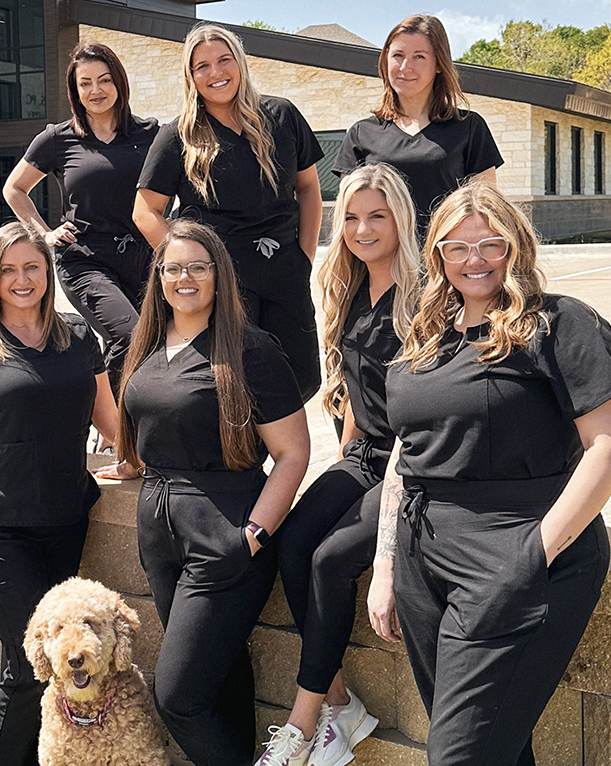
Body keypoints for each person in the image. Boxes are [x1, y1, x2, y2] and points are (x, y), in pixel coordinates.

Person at [367, 183, 611, 766]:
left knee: (458, 757)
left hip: (515, 548)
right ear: (437, 255)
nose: (475, 260)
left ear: (516, 245)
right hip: (424, 560)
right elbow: (404, 453)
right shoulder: (425, 334)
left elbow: (610, 449)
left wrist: (531, 556)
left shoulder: (561, 323)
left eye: (491, 244)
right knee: (499, 749)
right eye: (457, 248)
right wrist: (386, 563)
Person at [106, 219, 310, 766]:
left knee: (178, 698)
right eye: (173, 268)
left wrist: (252, 534)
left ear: (220, 274)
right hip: (159, 532)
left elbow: (293, 453)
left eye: (198, 266)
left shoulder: (251, 349)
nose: (185, 277)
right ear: (159, 278)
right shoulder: (146, 344)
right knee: (220, 677)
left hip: (225, 532)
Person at [0, 223, 119, 766]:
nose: (21, 279)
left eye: (31, 267)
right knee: (31, 660)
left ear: (47, 272)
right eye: (7, 269)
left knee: (51, 667)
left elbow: (110, 418)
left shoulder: (78, 337)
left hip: (65, 518)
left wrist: (145, 457)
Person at [259, 164, 423, 766]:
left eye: (377, 215)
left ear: (401, 219)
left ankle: (303, 725)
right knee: (292, 539)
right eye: (351, 217)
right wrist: (345, 465)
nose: (362, 228)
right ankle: (340, 702)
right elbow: (354, 386)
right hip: (365, 453)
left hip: (413, 462)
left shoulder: (425, 295)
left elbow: (422, 410)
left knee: (330, 559)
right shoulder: (347, 287)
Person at [134, 23, 325, 402]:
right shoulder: (179, 135)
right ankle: (241, 459)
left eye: (224, 60)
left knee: (300, 378)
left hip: (284, 270)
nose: (215, 73)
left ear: (240, 63)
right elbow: (145, 211)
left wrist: (303, 255)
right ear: (190, 76)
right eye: (201, 66)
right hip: (222, 282)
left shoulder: (283, 116)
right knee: (230, 383)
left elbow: (308, 189)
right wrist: (192, 266)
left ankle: (282, 455)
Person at [3, 41, 160, 394]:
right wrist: (43, 234)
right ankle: (117, 423)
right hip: (85, 261)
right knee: (130, 333)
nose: (95, 90)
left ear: (119, 82)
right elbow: (14, 189)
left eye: (104, 80)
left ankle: (112, 421)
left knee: (152, 339)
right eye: (84, 83)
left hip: (143, 260)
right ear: (75, 90)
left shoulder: (150, 134)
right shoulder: (58, 139)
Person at [333, 14, 503, 234]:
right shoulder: (361, 133)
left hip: (445, 260)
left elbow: (486, 210)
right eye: (397, 55)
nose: (405, 67)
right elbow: (350, 216)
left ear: (439, 64)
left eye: (419, 57)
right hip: (382, 265)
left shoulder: (469, 127)